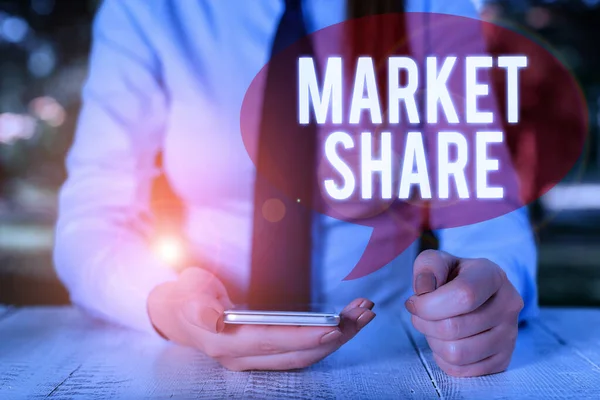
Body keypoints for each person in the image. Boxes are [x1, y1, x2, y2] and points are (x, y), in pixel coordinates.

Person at [54, 0, 537, 377]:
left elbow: (487, 215)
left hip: (390, 355)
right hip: (189, 357)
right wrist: (164, 303)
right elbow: (96, 215)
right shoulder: (147, 10)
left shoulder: (429, 6)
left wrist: (486, 291)